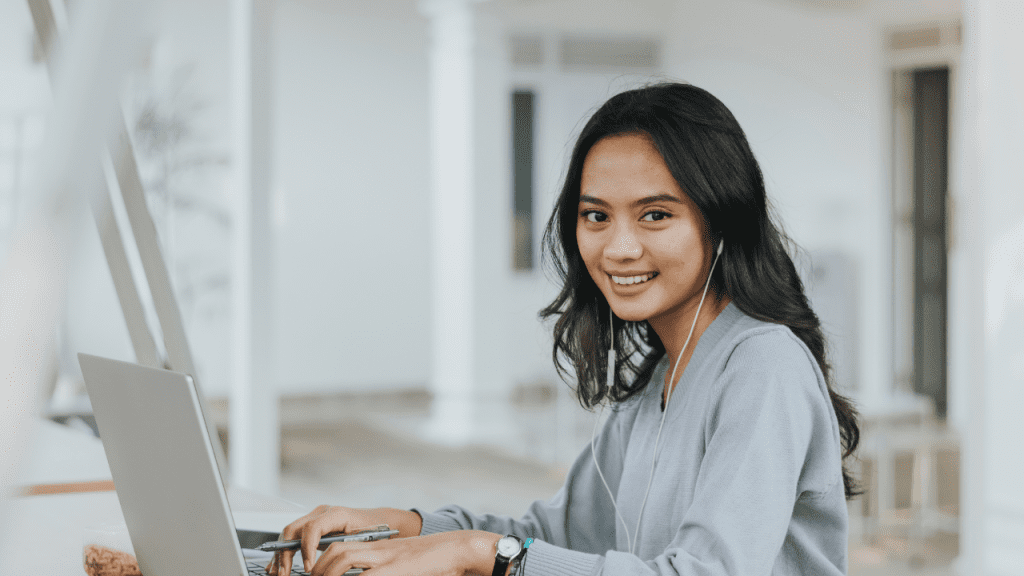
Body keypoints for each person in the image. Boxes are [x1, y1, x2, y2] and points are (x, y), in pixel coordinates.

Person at [268, 82, 860, 576]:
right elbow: (551, 535)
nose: (620, 248)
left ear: (721, 221)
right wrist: (403, 528)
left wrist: (477, 554)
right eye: (596, 216)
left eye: (656, 214)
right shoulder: (663, 376)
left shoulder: (764, 367)